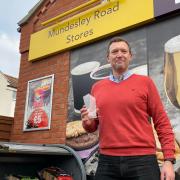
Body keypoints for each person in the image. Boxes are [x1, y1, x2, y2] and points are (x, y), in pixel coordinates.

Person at [80, 37, 176, 180]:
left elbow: (161, 122)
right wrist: (87, 122)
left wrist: (168, 160)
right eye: (114, 51)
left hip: (143, 161)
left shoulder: (146, 82)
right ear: (108, 58)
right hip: (107, 162)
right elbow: (92, 126)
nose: (119, 54)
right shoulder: (96, 88)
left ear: (130, 56)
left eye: (123, 51)